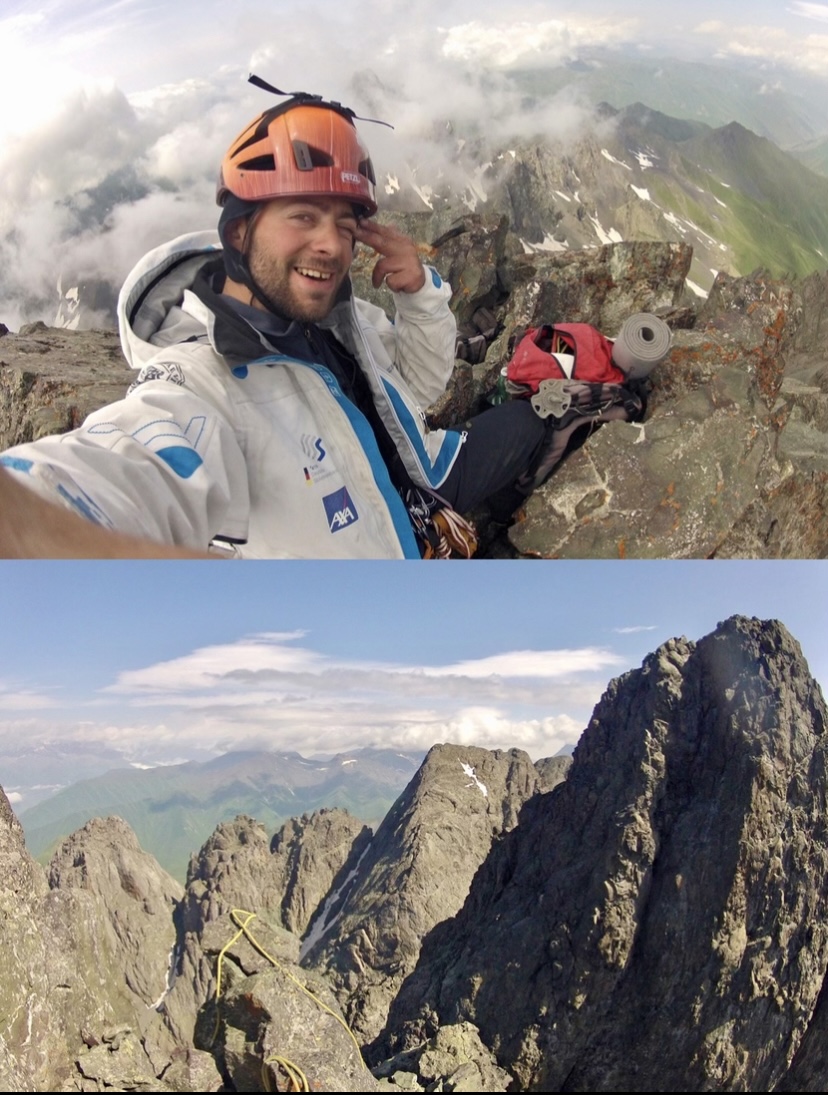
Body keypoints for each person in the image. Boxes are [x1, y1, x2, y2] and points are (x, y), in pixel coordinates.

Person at [0, 88, 549, 559]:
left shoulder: (339, 318)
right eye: (303, 216)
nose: (332, 244)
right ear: (239, 232)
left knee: (535, 419)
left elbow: (420, 385)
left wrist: (420, 296)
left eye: (343, 222)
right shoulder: (202, 383)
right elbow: (121, 469)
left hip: (420, 476)